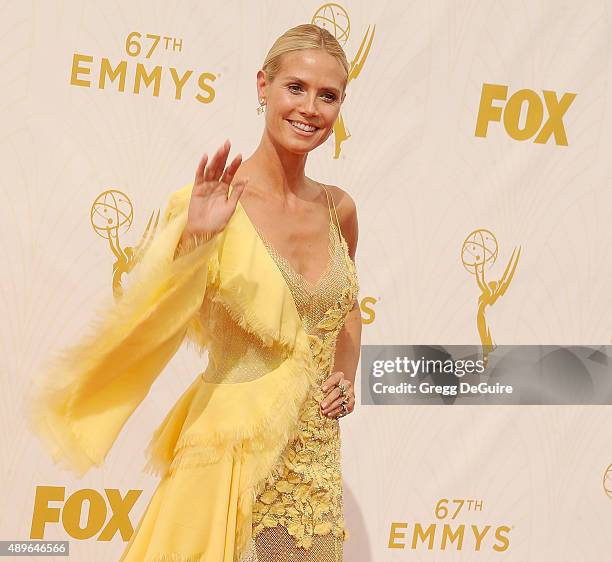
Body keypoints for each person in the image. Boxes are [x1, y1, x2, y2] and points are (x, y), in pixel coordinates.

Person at [27, 23, 361, 562]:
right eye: (295, 87)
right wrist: (196, 241)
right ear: (262, 87)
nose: (310, 108)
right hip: (228, 451)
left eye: (328, 95)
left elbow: (346, 315)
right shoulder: (211, 202)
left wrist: (347, 374)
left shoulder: (338, 209)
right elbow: (154, 316)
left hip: (313, 473)